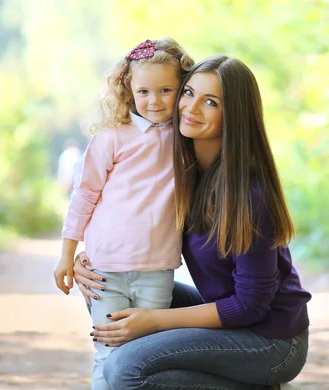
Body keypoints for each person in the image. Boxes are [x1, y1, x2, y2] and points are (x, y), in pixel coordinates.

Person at [73, 55, 312, 389]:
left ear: (234, 115)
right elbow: (130, 222)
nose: (191, 107)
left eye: (210, 101)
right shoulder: (182, 171)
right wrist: (91, 260)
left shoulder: (247, 193)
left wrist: (156, 322)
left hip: (271, 340)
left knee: (125, 369)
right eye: (188, 93)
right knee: (111, 288)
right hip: (230, 319)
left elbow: (251, 305)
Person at [52, 38, 194, 390]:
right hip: (105, 270)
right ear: (128, 89)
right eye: (144, 91)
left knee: (145, 358)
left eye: (166, 90)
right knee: (109, 354)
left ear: (181, 89)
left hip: (156, 270)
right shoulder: (111, 138)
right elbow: (84, 196)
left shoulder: (186, 137)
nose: (155, 100)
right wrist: (67, 255)